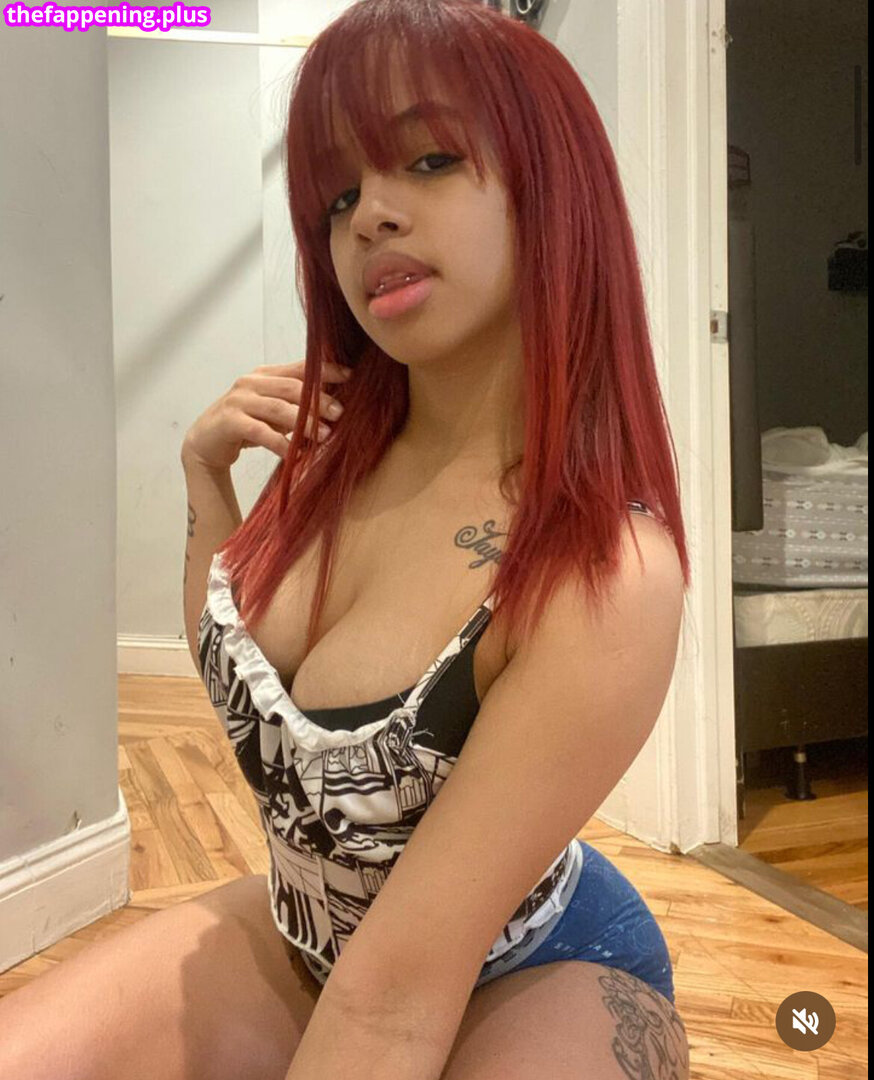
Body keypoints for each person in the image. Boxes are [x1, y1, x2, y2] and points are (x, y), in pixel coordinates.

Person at [0, 1, 691, 1077]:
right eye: (337, 195)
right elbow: (240, 675)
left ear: (550, 188)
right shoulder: (329, 459)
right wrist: (205, 483)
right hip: (308, 939)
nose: (369, 215)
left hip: (536, 968)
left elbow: (393, 999)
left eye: (428, 159)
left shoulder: (604, 572)